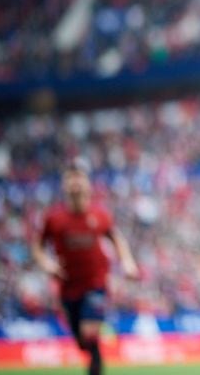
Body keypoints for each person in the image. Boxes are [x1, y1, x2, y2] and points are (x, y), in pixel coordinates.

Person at [31, 158, 139, 375]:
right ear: (64, 185)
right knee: (83, 342)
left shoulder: (100, 215)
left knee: (89, 331)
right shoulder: (54, 219)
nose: (75, 182)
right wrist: (46, 263)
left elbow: (116, 238)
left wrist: (127, 262)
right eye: (70, 178)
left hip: (96, 284)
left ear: (88, 184)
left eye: (79, 177)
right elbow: (38, 246)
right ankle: (96, 356)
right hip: (68, 288)